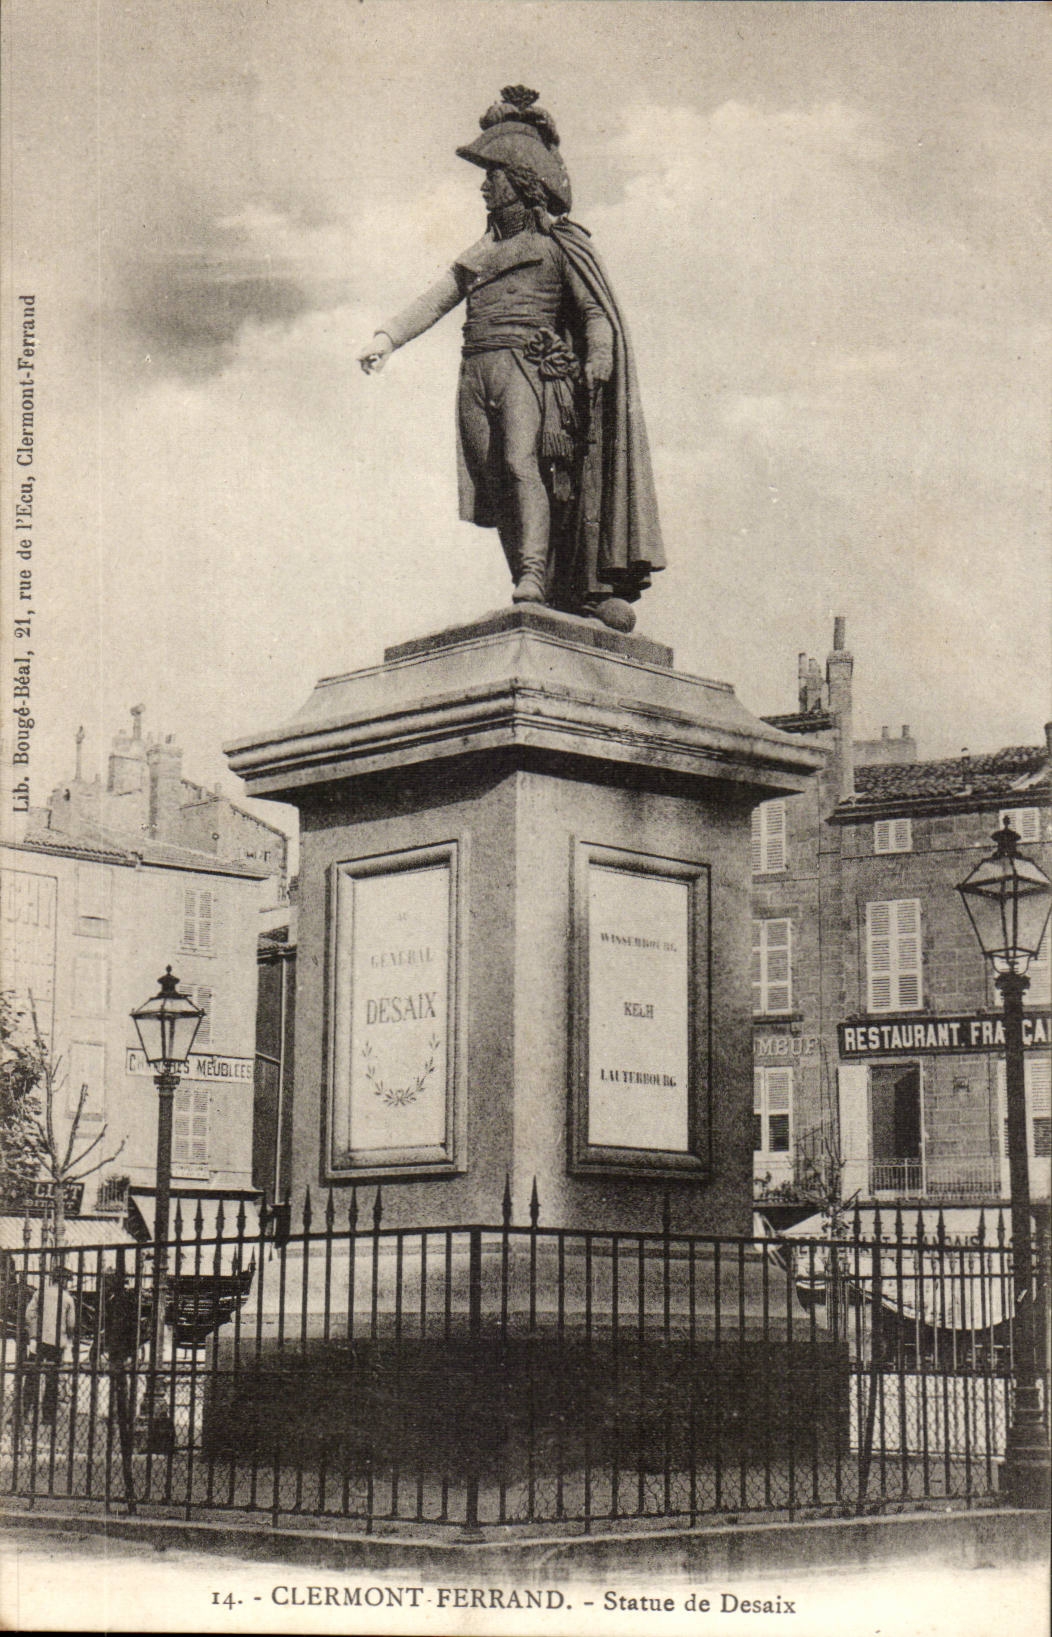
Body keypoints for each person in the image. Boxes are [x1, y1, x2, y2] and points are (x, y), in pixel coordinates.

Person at [358, 86, 664, 629]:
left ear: (521, 183)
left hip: (529, 369)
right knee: (497, 478)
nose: (483, 186)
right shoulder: (479, 252)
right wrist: (386, 338)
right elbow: (434, 300)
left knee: (524, 467)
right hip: (476, 369)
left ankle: (533, 577)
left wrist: (598, 355)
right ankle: (532, 578)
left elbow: (596, 311)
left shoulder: (557, 245)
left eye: (492, 175)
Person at [23, 1263, 77, 1426]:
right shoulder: (68, 1299)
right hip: (57, 1343)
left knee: (32, 1376)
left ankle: (24, 1413)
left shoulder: (40, 1293)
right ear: (64, 1281)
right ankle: (48, 1417)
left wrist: (34, 1331)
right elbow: (71, 1324)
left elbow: (29, 1313)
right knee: (52, 1379)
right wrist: (67, 1336)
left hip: (38, 1340)